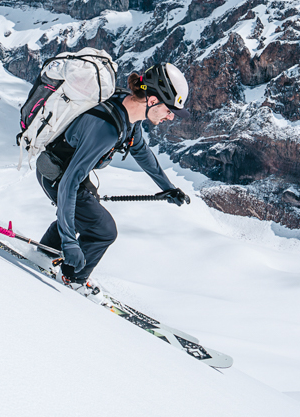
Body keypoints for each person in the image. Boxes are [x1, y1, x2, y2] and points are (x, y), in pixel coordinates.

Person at [36, 62, 191, 292]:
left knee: (89, 214)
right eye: (169, 110)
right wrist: (70, 242)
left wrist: (168, 187)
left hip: (62, 169)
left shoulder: (127, 114)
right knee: (103, 230)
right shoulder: (106, 130)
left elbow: (140, 150)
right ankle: (72, 279)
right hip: (56, 174)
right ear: (152, 101)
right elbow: (69, 183)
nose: (170, 117)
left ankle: (43, 255)